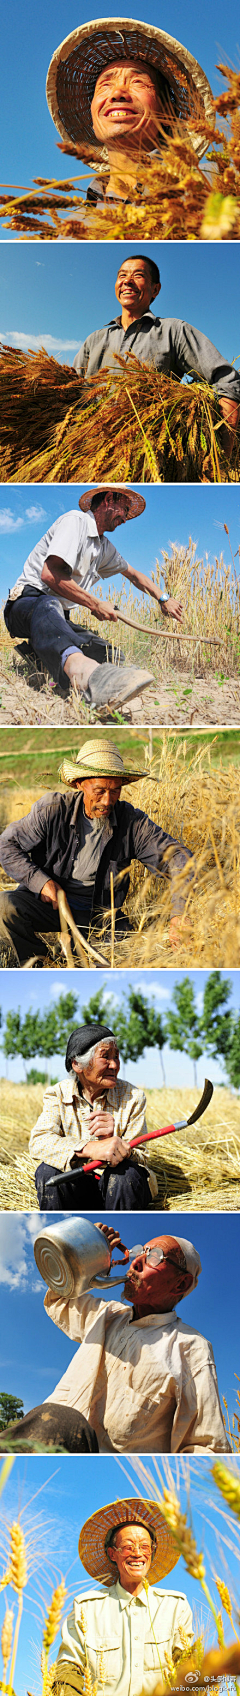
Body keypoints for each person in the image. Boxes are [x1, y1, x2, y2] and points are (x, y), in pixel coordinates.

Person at [0, 736, 192, 967]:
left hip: (101, 916)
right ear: (79, 784)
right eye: (99, 790)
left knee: (110, 965)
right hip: (51, 907)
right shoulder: (52, 810)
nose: (107, 800)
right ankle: (41, 964)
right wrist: (41, 883)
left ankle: (76, 950)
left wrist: (180, 912)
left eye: (115, 790)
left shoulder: (131, 821)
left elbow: (179, 857)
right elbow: (6, 845)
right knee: (5, 906)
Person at [43, 1225, 230, 1453]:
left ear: (180, 1284)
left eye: (154, 1256)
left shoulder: (190, 1347)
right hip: (43, 1442)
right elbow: (59, 1299)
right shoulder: (107, 1315)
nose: (136, 1262)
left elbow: (205, 1447)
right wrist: (91, 1256)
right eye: (139, 1252)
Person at [4, 485, 182, 706]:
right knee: (49, 605)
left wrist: (163, 598)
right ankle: (88, 677)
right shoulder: (74, 522)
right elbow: (50, 574)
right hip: (27, 605)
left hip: (58, 617)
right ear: (108, 499)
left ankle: (40, 656)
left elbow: (134, 575)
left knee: (110, 654)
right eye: (124, 510)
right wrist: (95, 604)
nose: (125, 519)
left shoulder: (104, 548)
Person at [73, 254, 240, 452]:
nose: (127, 281)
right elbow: (70, 391)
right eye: (122, 275)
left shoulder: (174, 331)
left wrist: (224, 451)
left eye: (138, 275)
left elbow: (228, 382)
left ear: (155, 289)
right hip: (86, 451)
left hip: (147, 453)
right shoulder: (94, 339)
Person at [46, 18, 215, 208]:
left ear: (168, 112)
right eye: (105, 85)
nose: (117, 94)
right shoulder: (75, 228)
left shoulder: (212, 187)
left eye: (137, 82)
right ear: (92, 120)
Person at [52, 1493, 194, 1696]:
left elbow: (188, 1671)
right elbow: (68, 1672)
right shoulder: (85, 1608)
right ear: (112, 1554)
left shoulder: (175, 1607)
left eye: (145, 1546)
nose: (138, 1553)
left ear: (152, 1552)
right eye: (128, 1547)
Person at [29, 1020, 158, 1211]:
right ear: (77, 1064)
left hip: (119, 1190)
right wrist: (90, 1148)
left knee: (126, 1175)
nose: (114, 1065)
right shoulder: (57, 1094)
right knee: (48, 1173)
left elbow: (142, 1156)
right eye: (105, 1057)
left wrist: (117, 1145)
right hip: (79, 1186)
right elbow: (39, 1141)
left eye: (116, 1056)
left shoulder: (133, 1097)